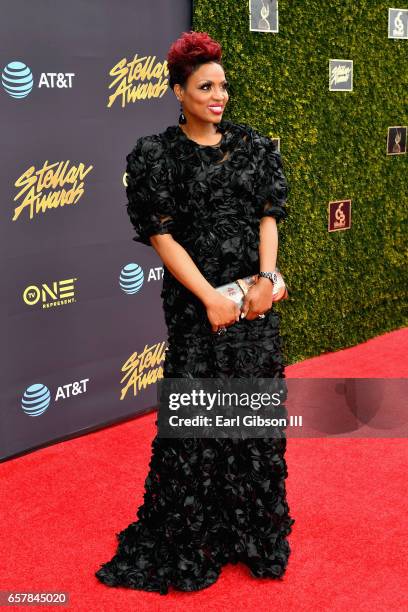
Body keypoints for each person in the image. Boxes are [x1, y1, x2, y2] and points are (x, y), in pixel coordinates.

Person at [95, 30, 295, 595]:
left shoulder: (254, 147)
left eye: (223, 86)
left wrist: (266, 280)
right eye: (205, 86)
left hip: (254, 304)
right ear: (178, 91)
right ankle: (192, 533)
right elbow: (161, 236)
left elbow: (267, 217)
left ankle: (250, 533)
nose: (219, 95)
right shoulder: (154, 155)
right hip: (195, 305)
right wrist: (209, 297)